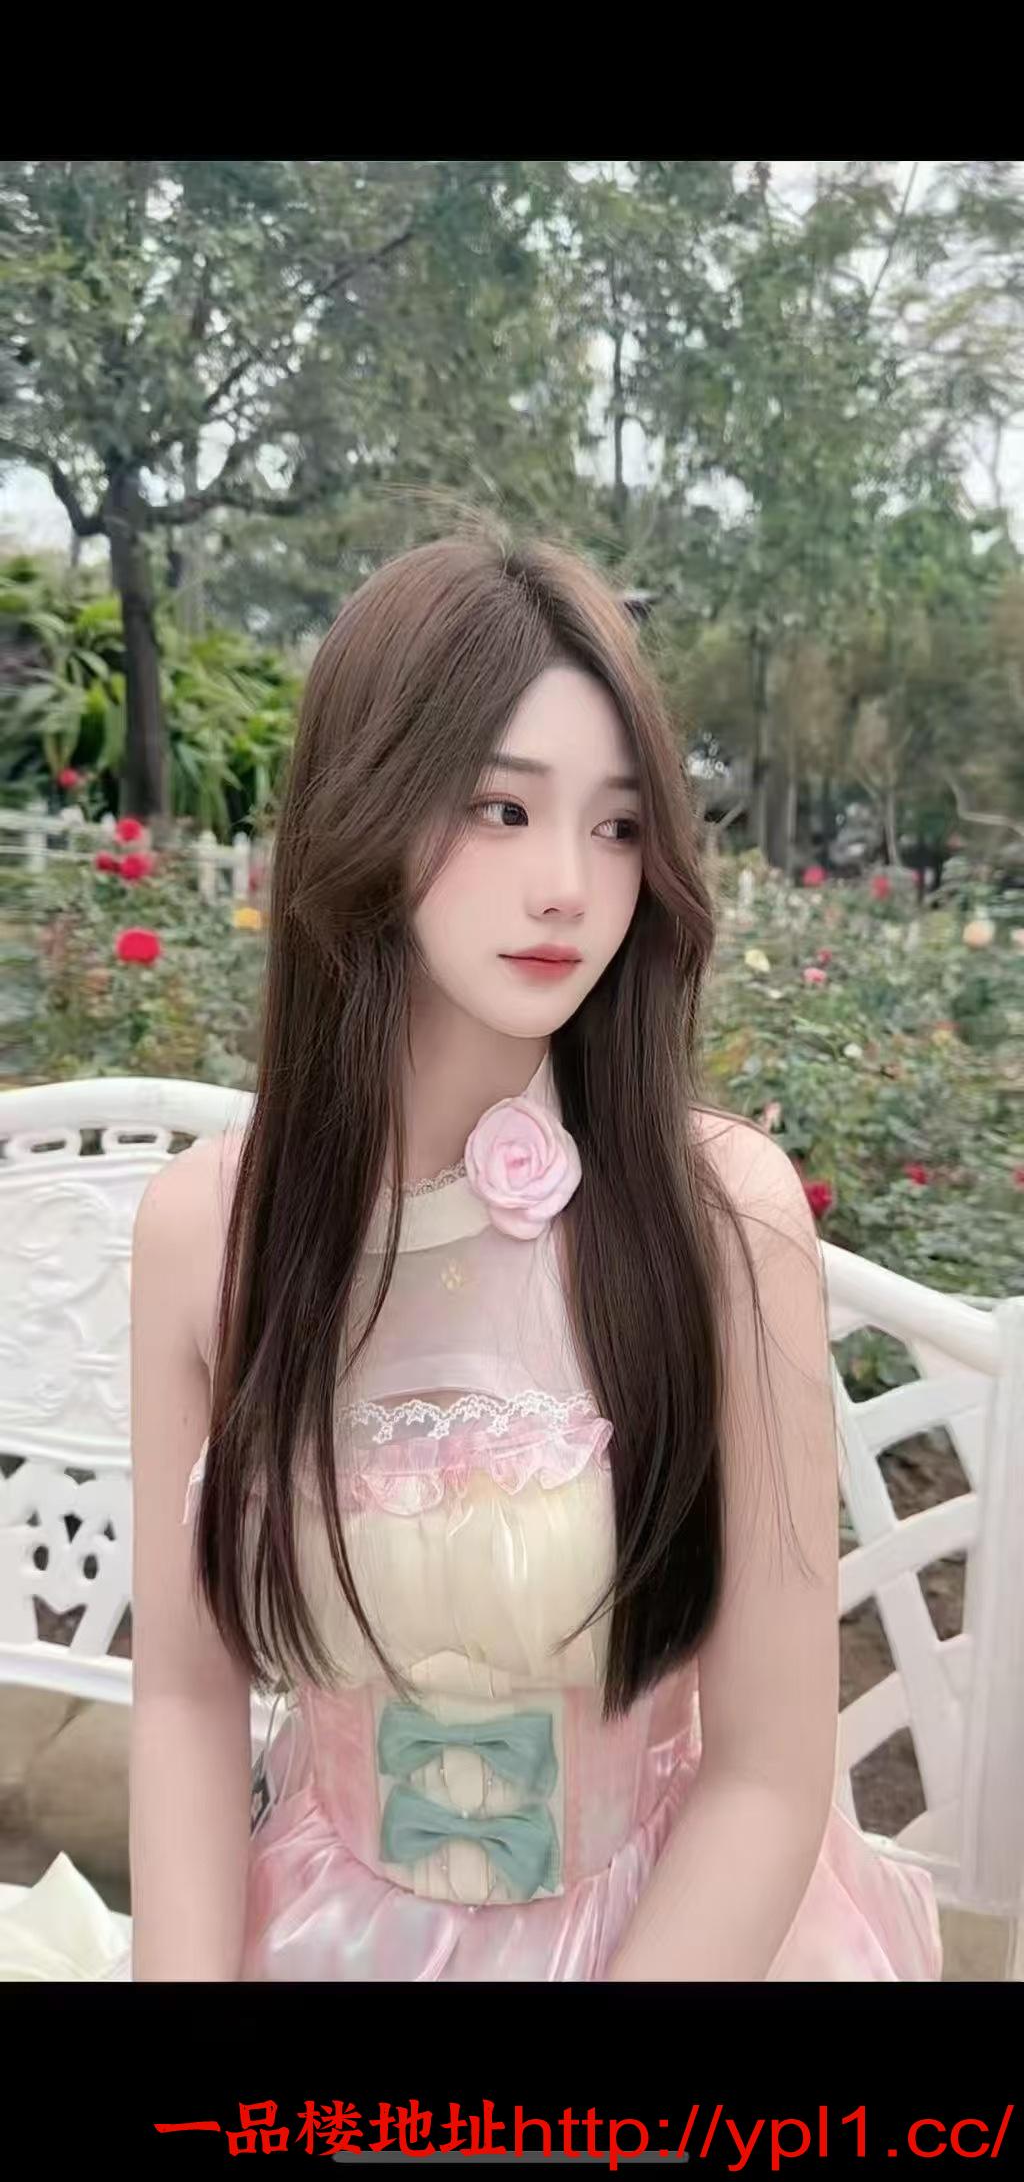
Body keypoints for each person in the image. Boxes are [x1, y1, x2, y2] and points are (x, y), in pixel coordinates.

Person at [129, 528, 943, 1982]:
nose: (569, 883)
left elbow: (769, 1772)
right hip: (321, 1927)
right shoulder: (210, 1233)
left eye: (618, 825)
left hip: (664, 1935)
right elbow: (188, 1701)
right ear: (365, 806)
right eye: (503, 810)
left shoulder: (718, 1219)